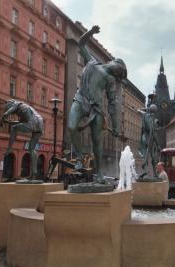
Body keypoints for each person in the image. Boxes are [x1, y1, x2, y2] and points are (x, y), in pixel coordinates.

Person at [67, 25, 127, 183]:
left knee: (97, 141)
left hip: (97, 109)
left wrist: (115, 127)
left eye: (120, 73)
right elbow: (80, 43)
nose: (118, 72)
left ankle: (99, 173)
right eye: (120, 69)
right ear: (114, 62)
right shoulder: (92, 62)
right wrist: (91, 33)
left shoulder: (110, 80)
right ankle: (79, 158)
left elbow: (113, 104)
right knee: (72, 126)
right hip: (80, 99)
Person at [0, 99, 43, 179]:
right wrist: (8, 122)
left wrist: (1, 121)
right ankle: (34, 173)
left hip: (33, 123)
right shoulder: (24, 108)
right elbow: (20, 123)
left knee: (14, 128)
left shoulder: (16, 104)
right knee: (32, 149)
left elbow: (6, 114)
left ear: (10, 104)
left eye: (7, 107)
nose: (9, 110)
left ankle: (9, 149)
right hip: (39, 124)